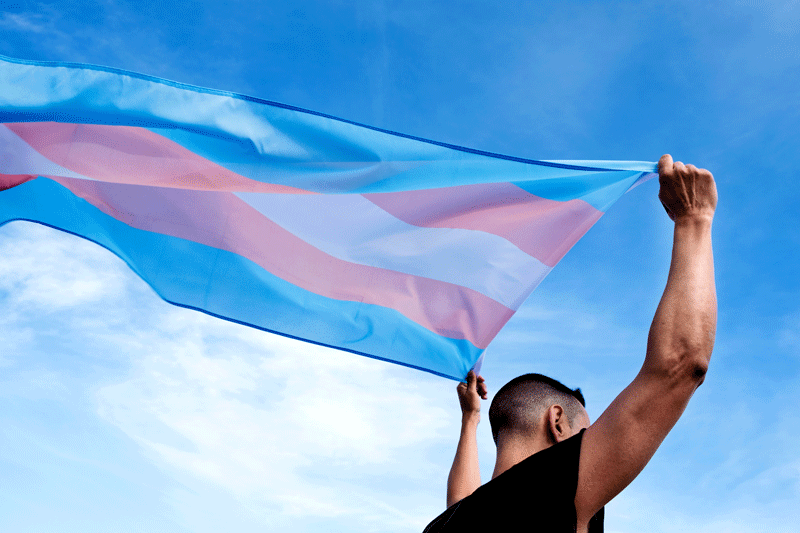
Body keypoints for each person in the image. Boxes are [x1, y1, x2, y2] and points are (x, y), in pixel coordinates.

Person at [423, 154, 718, 533]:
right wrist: (694, 220)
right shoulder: (542, 494)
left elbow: (463, 501)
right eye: (586, 434)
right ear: (557, 421)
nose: (593, 446)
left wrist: (471, 420)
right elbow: (681, 365)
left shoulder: (449, 524)